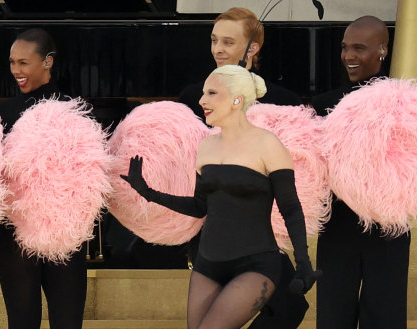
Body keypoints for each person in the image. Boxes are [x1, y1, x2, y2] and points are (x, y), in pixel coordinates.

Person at [122, 64, 317, 329]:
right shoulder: (207, 146)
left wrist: (303, 263)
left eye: (212, 93)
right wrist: (148, 193)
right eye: (204, 93)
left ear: (237, 100)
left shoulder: (268, 144)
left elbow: (290, 208)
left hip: (256, 263)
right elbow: (200, 206)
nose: (202, 100)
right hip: (208, 264)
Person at [178, 8, 310, 329]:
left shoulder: (285, 102)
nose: (217, 49)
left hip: (263, 236)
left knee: (290, 305)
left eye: (227, 41)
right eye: (213, 40)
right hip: (214, 236)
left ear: (252, 48)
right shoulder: (195, 98)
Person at [311, 16, 410, 329]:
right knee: (332, 315)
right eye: (344, 48)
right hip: (337, 226)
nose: (348, 56)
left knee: (385, 314)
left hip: (389, 227)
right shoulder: (324, 105)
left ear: (382, 49)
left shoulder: (404, 103)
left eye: (359, 48)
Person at [0, 28, 88, 329]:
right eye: (11, 62)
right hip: (14, 233)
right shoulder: (1, 113)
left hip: (64, 234)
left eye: (23, 63)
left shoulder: (76, 110)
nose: (16, 71)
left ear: (48, 62)